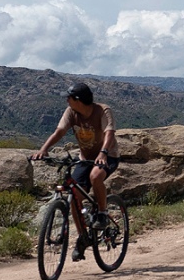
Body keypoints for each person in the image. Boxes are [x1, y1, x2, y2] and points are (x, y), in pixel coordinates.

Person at [32, 82, 120, 262]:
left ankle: (102, 213)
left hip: (108, 155)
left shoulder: (103, 111)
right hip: (86, 158)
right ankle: (83, 237)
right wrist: (44, 149)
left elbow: (109, 133)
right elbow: (59, 131)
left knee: (96, 176)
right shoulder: (71, 112)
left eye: (69, 97)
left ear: (78, 100)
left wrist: (103, 153)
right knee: (74, 193)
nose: (66, 100)